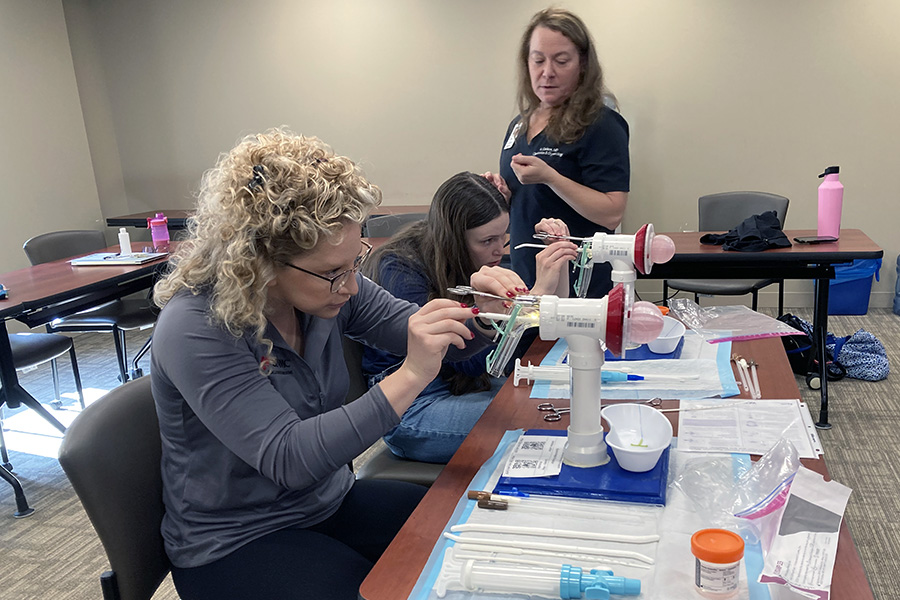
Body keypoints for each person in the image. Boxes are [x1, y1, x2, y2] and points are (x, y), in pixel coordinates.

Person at [150, 129, 525, 600]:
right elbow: (288, 457)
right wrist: (410, 376)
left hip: (325, 502)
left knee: (466, 535)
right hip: (235, 540)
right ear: (259, 262)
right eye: (333, 272)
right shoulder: (197, 326)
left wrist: (484, 314)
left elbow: (419, 332)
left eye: (355, 262)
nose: (351, 286)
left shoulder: (327, 285)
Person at [362, 172, 578, 463]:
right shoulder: (398, 268)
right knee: (544, 417)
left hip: (467, 384)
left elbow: (542, 335)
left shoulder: (480, 256)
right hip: (413, 407)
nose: (500, 250)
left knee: (568, 397)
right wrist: (535, 297)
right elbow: (472, 361)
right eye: (488, 240)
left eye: (505, 236)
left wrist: (559, 260)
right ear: (453, 239)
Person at [485, 7, 631, 298]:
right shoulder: (520, 124)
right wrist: (501, 192)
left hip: (581, 279)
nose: (547, 72)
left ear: (583, 65)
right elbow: (527, 201)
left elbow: (612, 212)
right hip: (527, 273)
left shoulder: (602, 124)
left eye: (561, 61)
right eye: (538, 60)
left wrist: (551, 177)